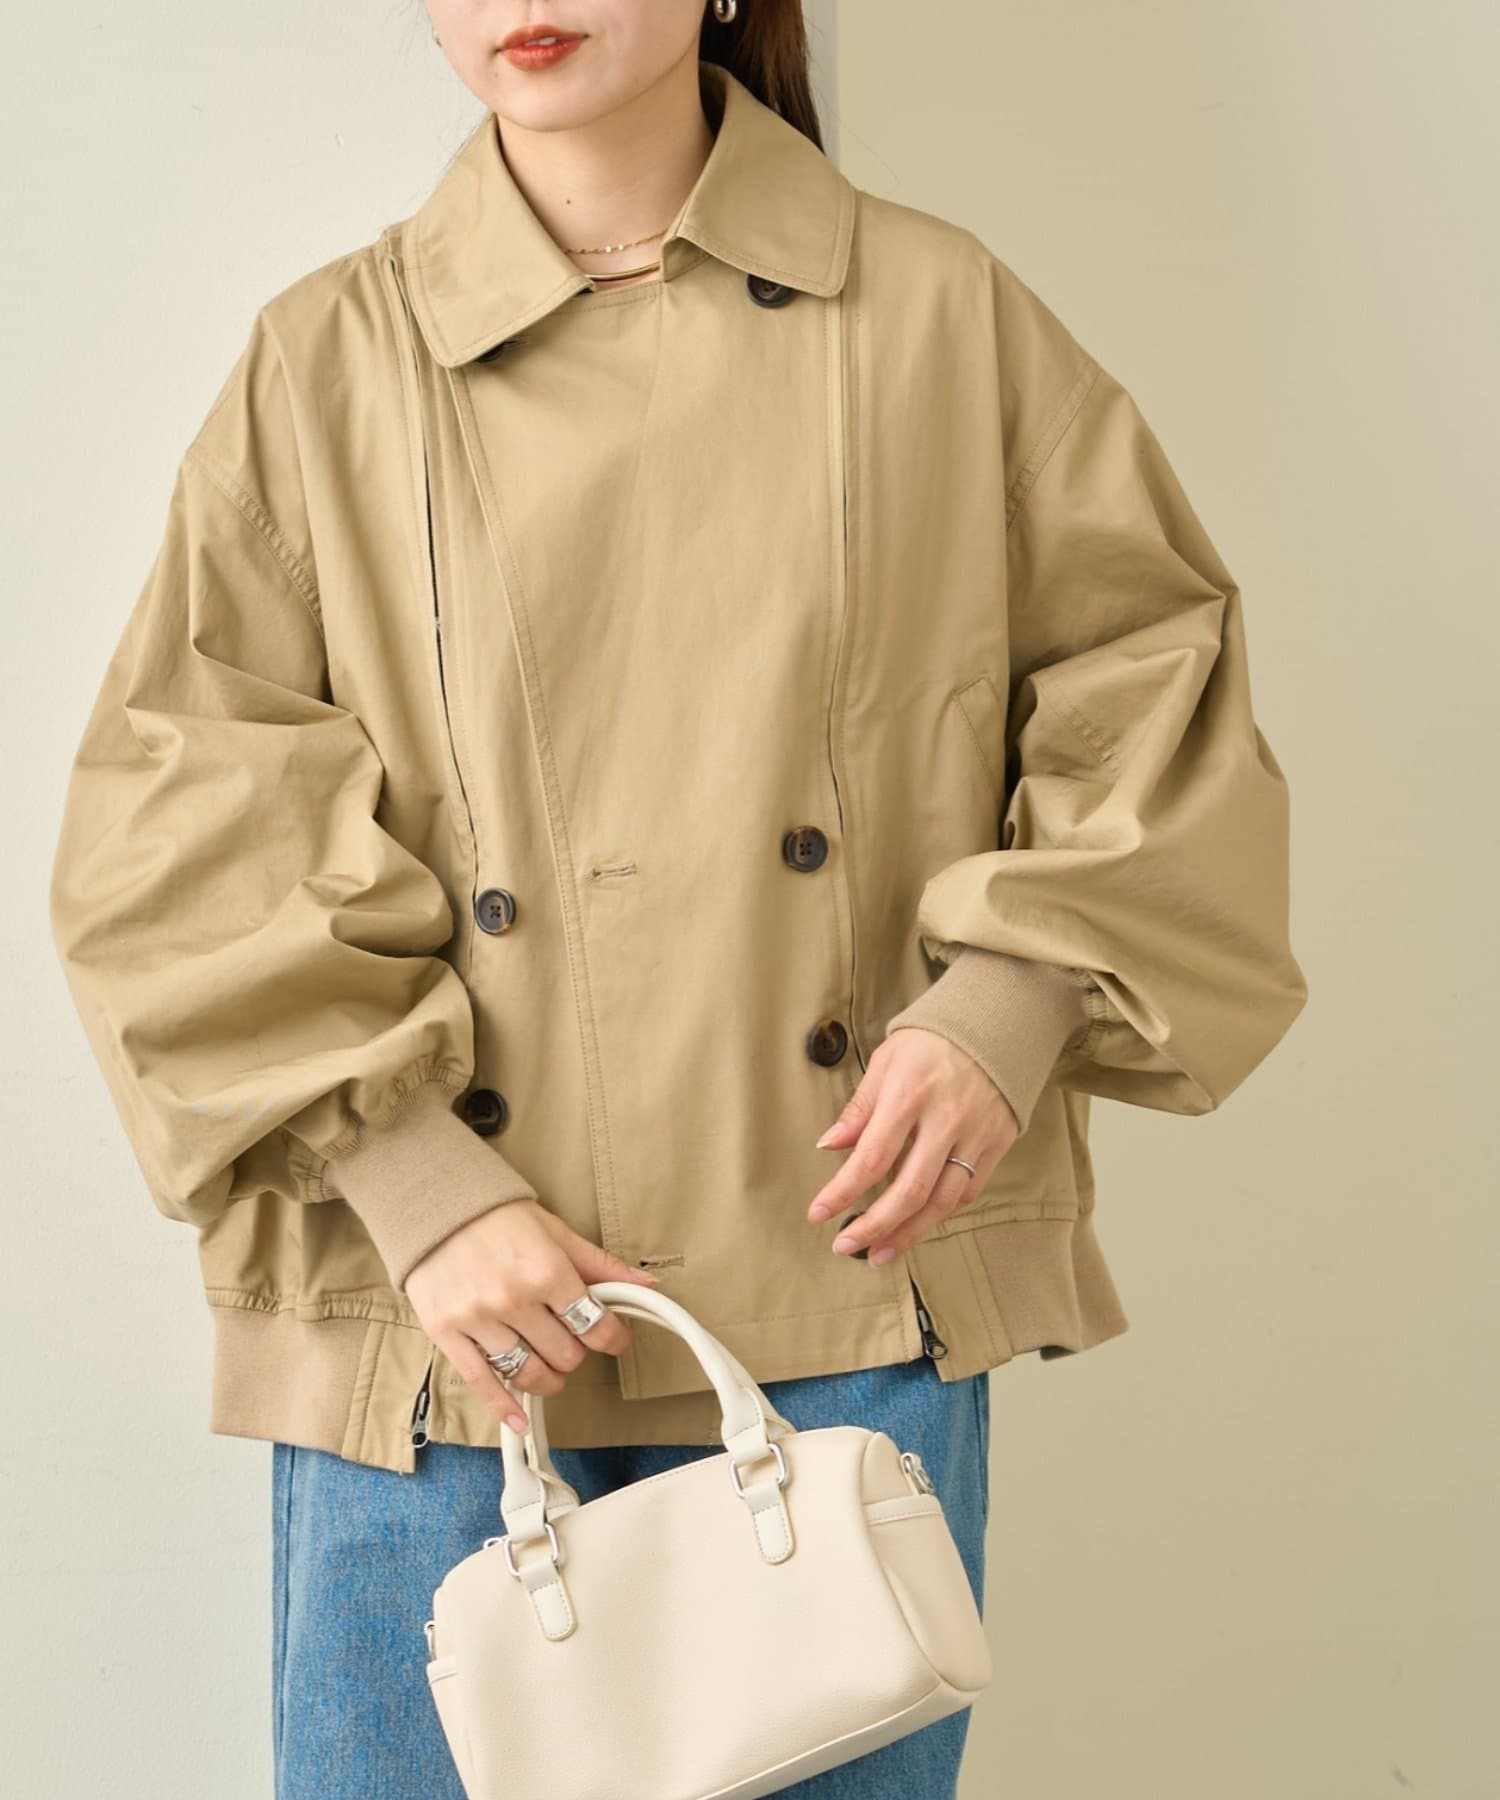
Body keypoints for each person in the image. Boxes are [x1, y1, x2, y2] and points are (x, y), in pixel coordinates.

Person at [48, 2, 1308, 1795]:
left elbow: (1160, 692)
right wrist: (416, 1181)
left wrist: (1004, 1005)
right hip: (442, 1339)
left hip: (845, 1279)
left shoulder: (940, 318)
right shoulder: (328, 361)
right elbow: (179, 823)